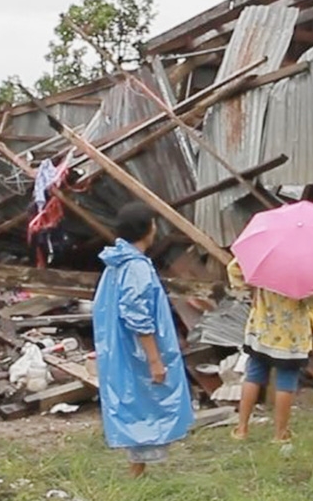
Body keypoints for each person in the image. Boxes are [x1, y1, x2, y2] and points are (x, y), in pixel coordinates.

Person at [92, 202, 194, 477]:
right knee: (146, 402)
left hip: (123, 348)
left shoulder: (117, 264)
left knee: (137, 403)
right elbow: (137, 315)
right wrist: (154, 359)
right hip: (137, 349)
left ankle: (138, 469)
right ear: (147, 228)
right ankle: (137, 472)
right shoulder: (135, 267)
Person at [228, 257, 313, 444]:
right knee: (286, 382)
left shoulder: (265, 258)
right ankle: (280, 434)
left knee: (253, 376)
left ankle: (242, 428)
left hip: (262, 329)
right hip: (291, 337)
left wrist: (251, 286)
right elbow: (312, 300)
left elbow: (234, 268)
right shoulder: (305, 266)